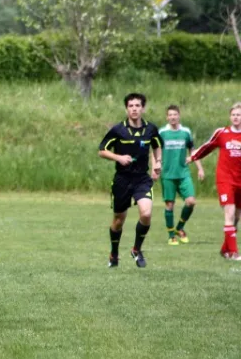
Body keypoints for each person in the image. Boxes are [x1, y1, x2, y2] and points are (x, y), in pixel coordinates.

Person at [98, 93, 163, 268]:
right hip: (122, 180)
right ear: (126, 108)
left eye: (137, 105)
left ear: (143, 108)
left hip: (142, 179)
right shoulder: (118, 130)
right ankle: (114, 253)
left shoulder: (151, 129)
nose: (134, 109)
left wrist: (157, 163)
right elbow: (102, 150)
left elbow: (157, 147)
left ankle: (136, 249)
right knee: (119, 220)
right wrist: (118, 157)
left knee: (146, 213)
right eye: (131, 106)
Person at [187, 102, 241, 260]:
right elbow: (207, 147)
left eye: (239, 115)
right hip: (225, 179)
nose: (236, 117)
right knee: (229, 213)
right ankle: (233, 253)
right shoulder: (222, 133)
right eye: (234, 115)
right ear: (230, 117)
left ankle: (225, 249)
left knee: (237, 216)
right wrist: (192, 157)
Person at [155, 105, 204, 245]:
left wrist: (200, 168)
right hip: (168, 174)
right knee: (169, 205)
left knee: (191, 202)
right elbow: (156, 150)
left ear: (179, 116)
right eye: (170, 115)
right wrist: (156, 167)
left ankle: (180, 227)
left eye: (175, 114)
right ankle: (171, 235)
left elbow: (193, 152)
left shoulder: (186, 132)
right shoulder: (162, 132)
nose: (172, 117)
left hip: (183, 174)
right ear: (167, 117)